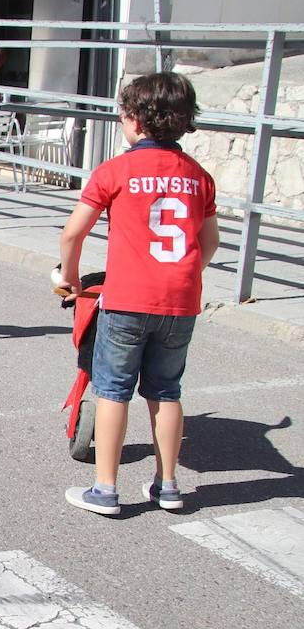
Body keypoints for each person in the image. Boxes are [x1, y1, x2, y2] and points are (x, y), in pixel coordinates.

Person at [58, 72, 219, 516]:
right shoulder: (198, 176)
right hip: (181, 301)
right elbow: (210, 243)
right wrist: (183, 275)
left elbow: (73, 233)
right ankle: (168, 486)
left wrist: (71, 278)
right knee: (166, 390)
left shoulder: (116, 170)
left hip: (128, 299)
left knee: (112, 389)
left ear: (133, 121)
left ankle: (105, 490)